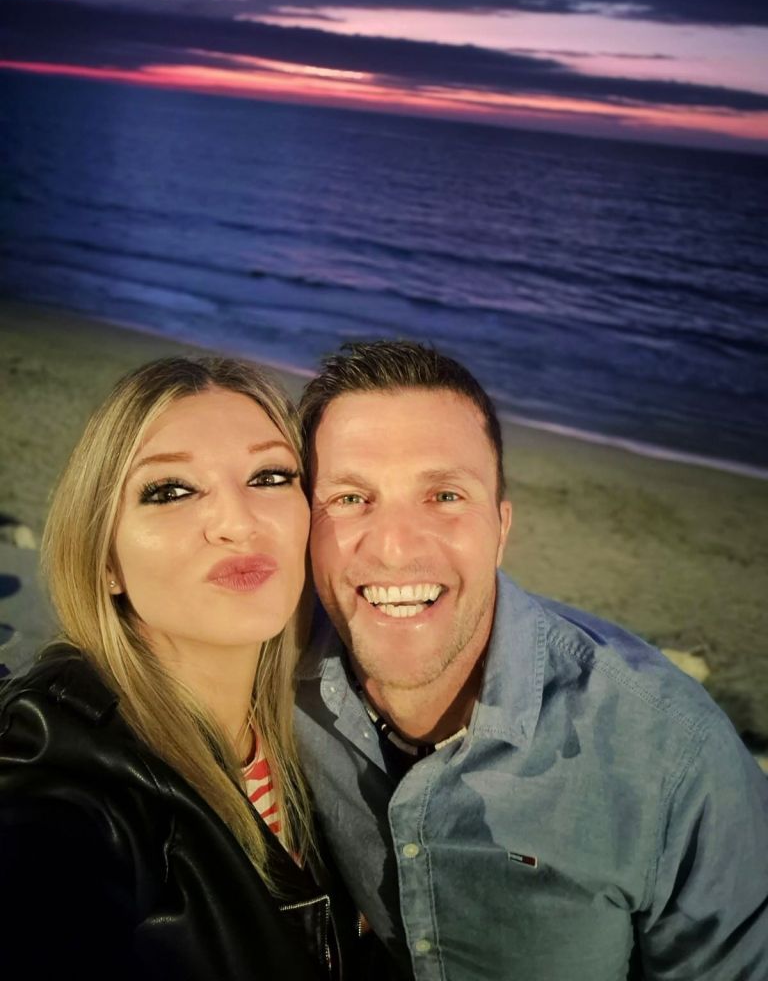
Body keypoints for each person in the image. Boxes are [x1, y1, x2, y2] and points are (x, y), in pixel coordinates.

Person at [294, 340, 768, 981]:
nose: (395, 548)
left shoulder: (670, 754)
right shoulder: (276, 674)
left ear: (501, 529)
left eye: (445, 496)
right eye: (351, 498)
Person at [0, 356, 358, 980]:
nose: (238, 524)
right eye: (171, 491)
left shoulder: (322, 728)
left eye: (270, 477)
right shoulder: (56, 762)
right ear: (105, 561)